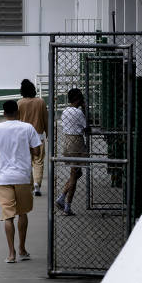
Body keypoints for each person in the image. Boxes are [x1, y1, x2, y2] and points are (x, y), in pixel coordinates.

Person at [0, 100, 42, 263]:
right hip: (22, 176)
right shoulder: (27, 128)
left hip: (3, 178)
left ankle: (11, 254)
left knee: (8, 216)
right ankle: (22, 249)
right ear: (18, 112)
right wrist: (24, 148)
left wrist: (4, 149)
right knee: (22, 213)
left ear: (4, 113)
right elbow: (37, 151)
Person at [55, 88, 89, 216]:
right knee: (74, 174)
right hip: (77, 142)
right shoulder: (78, 112)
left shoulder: (65, 111)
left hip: (68, 141)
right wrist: (85, 109)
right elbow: (87, 127)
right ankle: (66, 204)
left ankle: (63, 198)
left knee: (77, 172)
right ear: (78, 99)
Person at [17, 79, 48, 196]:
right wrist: (48, 133)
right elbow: (45, 118)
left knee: (26, 161)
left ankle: (28, 184)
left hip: (23, 136)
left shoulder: (19, 103)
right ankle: (37, 184)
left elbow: (17, 120)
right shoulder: (41, 102)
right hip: (38, 136)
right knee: (38, 161)